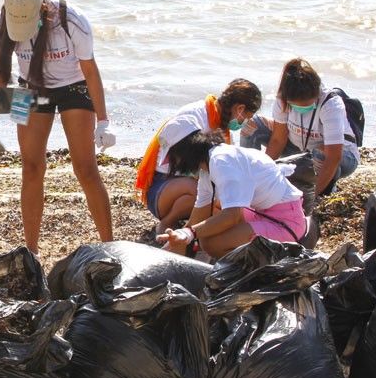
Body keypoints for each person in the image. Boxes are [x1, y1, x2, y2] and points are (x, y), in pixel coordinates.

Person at [0, 0, 115, 254]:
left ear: (41, 11)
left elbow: (91, 72)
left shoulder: (73, 21)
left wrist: (103, 121)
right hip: (29, 88)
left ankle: (110, 245)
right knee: (31, 168)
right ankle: (31, 252)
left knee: (85, 167)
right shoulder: (2, 24)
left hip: (75, 87)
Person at [156, 118, 306, 259]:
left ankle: (253, 271)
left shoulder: (221, 161)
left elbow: (232, 215)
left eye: (173, 158)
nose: (173, 165)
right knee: (211, 218)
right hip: (261, 213)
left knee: (211, 244)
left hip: (284, 222)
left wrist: (190, 233)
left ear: (184, 151)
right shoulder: (207, 167)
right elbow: (201, 211)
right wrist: (178, 238)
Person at [135, 79, 261, 235]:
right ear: (240, 109)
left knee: (217, 197)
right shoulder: (193, 118)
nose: (244, 122)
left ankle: (190, 229)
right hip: (162, 186)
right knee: (205, 194)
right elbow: (187, 164)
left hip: (186, 189)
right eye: (247, 117)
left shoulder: (221, 125)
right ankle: (168, 223)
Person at [241, 58, 359, 197]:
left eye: (307, 105)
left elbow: (334, 157)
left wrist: (314, 197)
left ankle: (326, 190)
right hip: (300, 149)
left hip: (341, 156)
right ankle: (247, 180)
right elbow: (278, 140)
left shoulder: (331, 104)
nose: (303, 110)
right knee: (252, 126)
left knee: (321, 153)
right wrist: (262, 175)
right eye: (297, 106)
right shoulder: (282, 99)